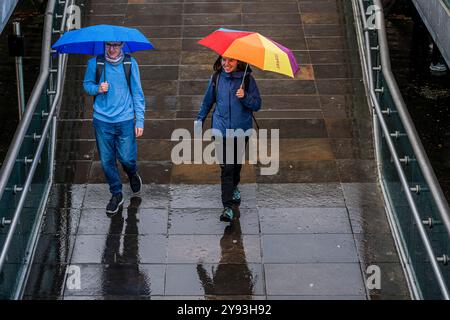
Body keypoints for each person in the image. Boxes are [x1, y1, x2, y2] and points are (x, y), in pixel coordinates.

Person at [195, 56, 262, 222]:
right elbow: (207, 101)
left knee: (235, 164)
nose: (226, 64)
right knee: (226, 167)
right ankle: (227, 207)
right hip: (220, 130)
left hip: (241, 130)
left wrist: (245, 96)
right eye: (224, 60)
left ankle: (234, 187)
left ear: (238, 62)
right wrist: (199, 119)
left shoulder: (247, 79)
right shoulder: (217, 77)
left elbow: (257, 104)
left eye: (231, 60)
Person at [83, 42, 145, 214]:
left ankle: (132, 173)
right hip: (102, 120)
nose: (111, 49)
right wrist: (97, 88)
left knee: (127, 158)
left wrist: (139, 120)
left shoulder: (130, 64)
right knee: (107, 160)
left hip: (125, 119)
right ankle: (116, 194)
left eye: (116, 46)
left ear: (122, 46)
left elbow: (137, 92)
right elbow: (86, 85)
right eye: (108, 45)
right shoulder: (95, 63)